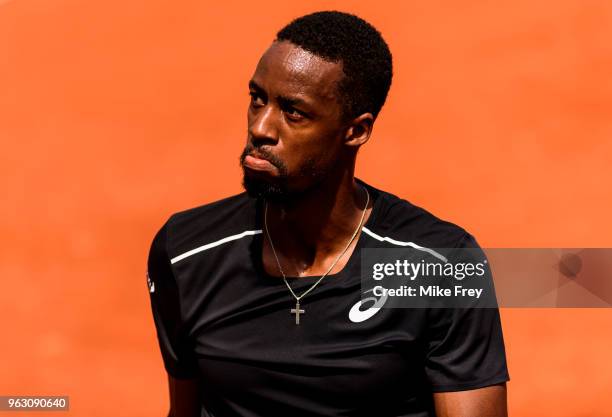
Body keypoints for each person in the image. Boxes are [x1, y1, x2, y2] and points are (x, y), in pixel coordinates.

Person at [146, 10, 509, 417]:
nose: (261, 128)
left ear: (356, 131)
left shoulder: (439, 267)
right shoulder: (186, 254)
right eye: (257, 99)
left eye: (293, 112)